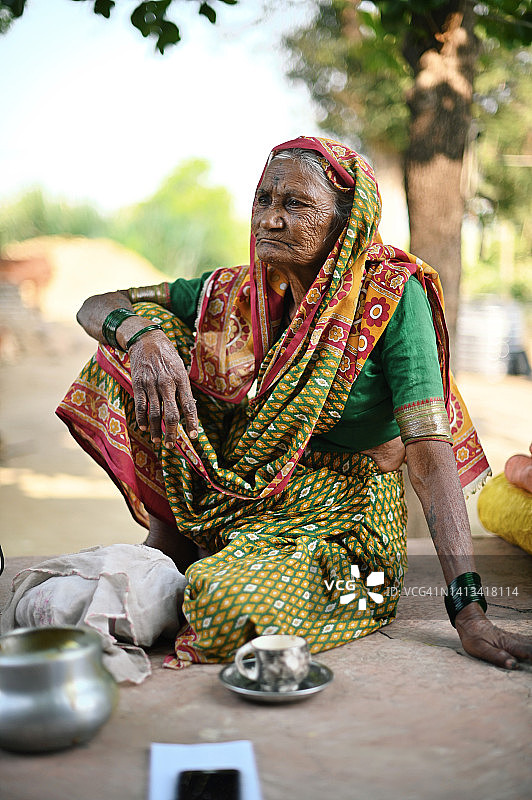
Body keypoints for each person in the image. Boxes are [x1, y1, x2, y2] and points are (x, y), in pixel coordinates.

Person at [57, 136, 532, 671]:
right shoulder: (235, 291)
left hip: (343, 511)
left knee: (218, 602)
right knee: (141, 340)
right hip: (244, 493)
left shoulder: (392, 297)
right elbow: (97, 305)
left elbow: (426, 451)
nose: (270, 219)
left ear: (345, 222)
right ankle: (173, 536)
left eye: (295, 204)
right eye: (264, 199)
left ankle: (233, 570)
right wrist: (141, 340)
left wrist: (468, 611)